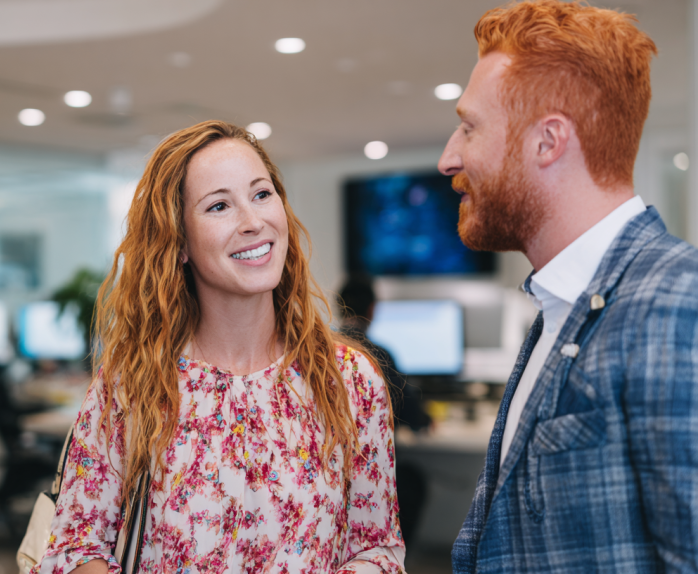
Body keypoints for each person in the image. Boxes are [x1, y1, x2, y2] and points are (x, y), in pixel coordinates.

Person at [34, 120, 405, 573]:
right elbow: (75, 549)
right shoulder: (132, 384)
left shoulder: (349, 380)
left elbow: (377, 549)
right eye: (219, 206)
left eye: (262, 194)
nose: (253, 222)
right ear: (180, 241)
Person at [438, 2, 698, 572]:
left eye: (469, 127)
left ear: (548, 140)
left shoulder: (679, 302)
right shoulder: (559, 307)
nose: (448, 158)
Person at [337, 277, 431, 546]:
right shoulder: (377, 355)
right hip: (371, 481)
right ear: (372, 310)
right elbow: (412, 415)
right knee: (412, 482)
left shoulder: (318, 352)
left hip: (328, 479)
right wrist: (425, 420)